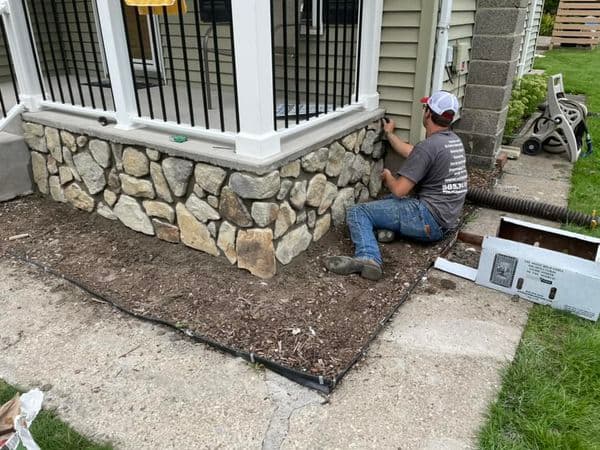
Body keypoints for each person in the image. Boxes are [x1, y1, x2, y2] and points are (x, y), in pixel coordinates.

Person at [325, 91, 468, 281]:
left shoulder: (429, 146)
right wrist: (390, 134)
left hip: (427, 220)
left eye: (425, 107)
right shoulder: (452, 141)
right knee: (387, 202)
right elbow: (414, 152)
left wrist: (388, 177)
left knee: (359, 212)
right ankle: (386, 233)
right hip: (445, 221)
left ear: (428, 113)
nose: (423, 110)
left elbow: (400, 190)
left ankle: (369, 257)